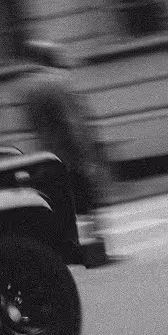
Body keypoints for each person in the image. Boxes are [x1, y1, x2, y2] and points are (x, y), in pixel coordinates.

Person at [18, 40, 110, 240]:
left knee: (63, 203)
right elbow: (73, 122)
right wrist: (88, 153)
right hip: (71, 152)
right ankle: (95, 247)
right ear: (50, 58)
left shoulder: (26, 88)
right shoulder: (59, 82)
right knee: (86, 200)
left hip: (46, 154)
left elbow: (30, 126)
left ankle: (76, 244)